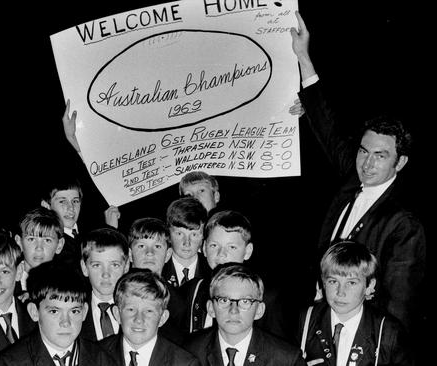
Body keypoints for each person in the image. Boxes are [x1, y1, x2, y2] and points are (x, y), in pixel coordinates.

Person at [291, 11, 426, 333]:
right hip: (320, 319)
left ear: (400, 162)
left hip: (362, 334)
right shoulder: (354, 178)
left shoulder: (403, 223)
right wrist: (302, 57)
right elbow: (327, 125)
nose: (367, 163)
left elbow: (399, 303)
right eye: (364, 152)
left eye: (380, 156)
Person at [298, 241, 413, 366]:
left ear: (369, 286)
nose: (340, 292)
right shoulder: (306, 320)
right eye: (333, 281)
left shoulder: (388, 333)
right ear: (323, 282)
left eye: (351, 283)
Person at [180, 210, 288, 338]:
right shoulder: (192, 290)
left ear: (247, 251)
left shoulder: (267, 297)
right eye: (214, 245)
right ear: (204, 248)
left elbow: (278, 348)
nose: (221, 254)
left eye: (231, 247)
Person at [184, 263, 305, 366]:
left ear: (259, 310)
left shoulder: (287, 360)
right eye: (224, 300)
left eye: (245, 302)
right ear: (211, 308)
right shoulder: (189, 351)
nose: (233, 310)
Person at [0, 261, 116, 366]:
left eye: (74, 311)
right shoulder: (10, 362)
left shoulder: (102, 359)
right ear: (34, 312)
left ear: (84, 311)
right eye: (54, 311)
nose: (65, 323)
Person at [98, 270, 200, 366]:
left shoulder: (185, 363)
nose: (139, 319)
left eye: (149, 311)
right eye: (131, 310)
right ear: (117, 314)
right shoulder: (95, 355)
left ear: (162, 318)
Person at [127, 217, 186, 344]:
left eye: (157, 246)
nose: (149, 253)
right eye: (142, 246)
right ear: (130, 254)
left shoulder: (178, 303)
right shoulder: (117, 293)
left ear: (168, 254)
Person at [79, 227, 130, 341]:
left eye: (114, 265)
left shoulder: (140, 311)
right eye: (97, 265)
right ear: (84, 267)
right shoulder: (74, 314)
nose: (106, 274)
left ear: (126, 266)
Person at [13, 207, 65, 297]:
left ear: (59, 245)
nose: (39, 248)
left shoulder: (67, 285)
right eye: (31, 239)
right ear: (19, 242)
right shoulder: (6, 283)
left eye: (47, 240)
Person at [161, 197, 210, 288]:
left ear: (203, 235)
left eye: (194, 235)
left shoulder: (211, 271)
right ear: (168, 233)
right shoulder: (158, 269)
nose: (187, 243)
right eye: (179, 234)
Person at [40, 177, 84, 269]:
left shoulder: (90, 232)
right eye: (62, 201)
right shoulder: (49, 244)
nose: (71, 207)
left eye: (75, 201)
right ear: (46, 206)